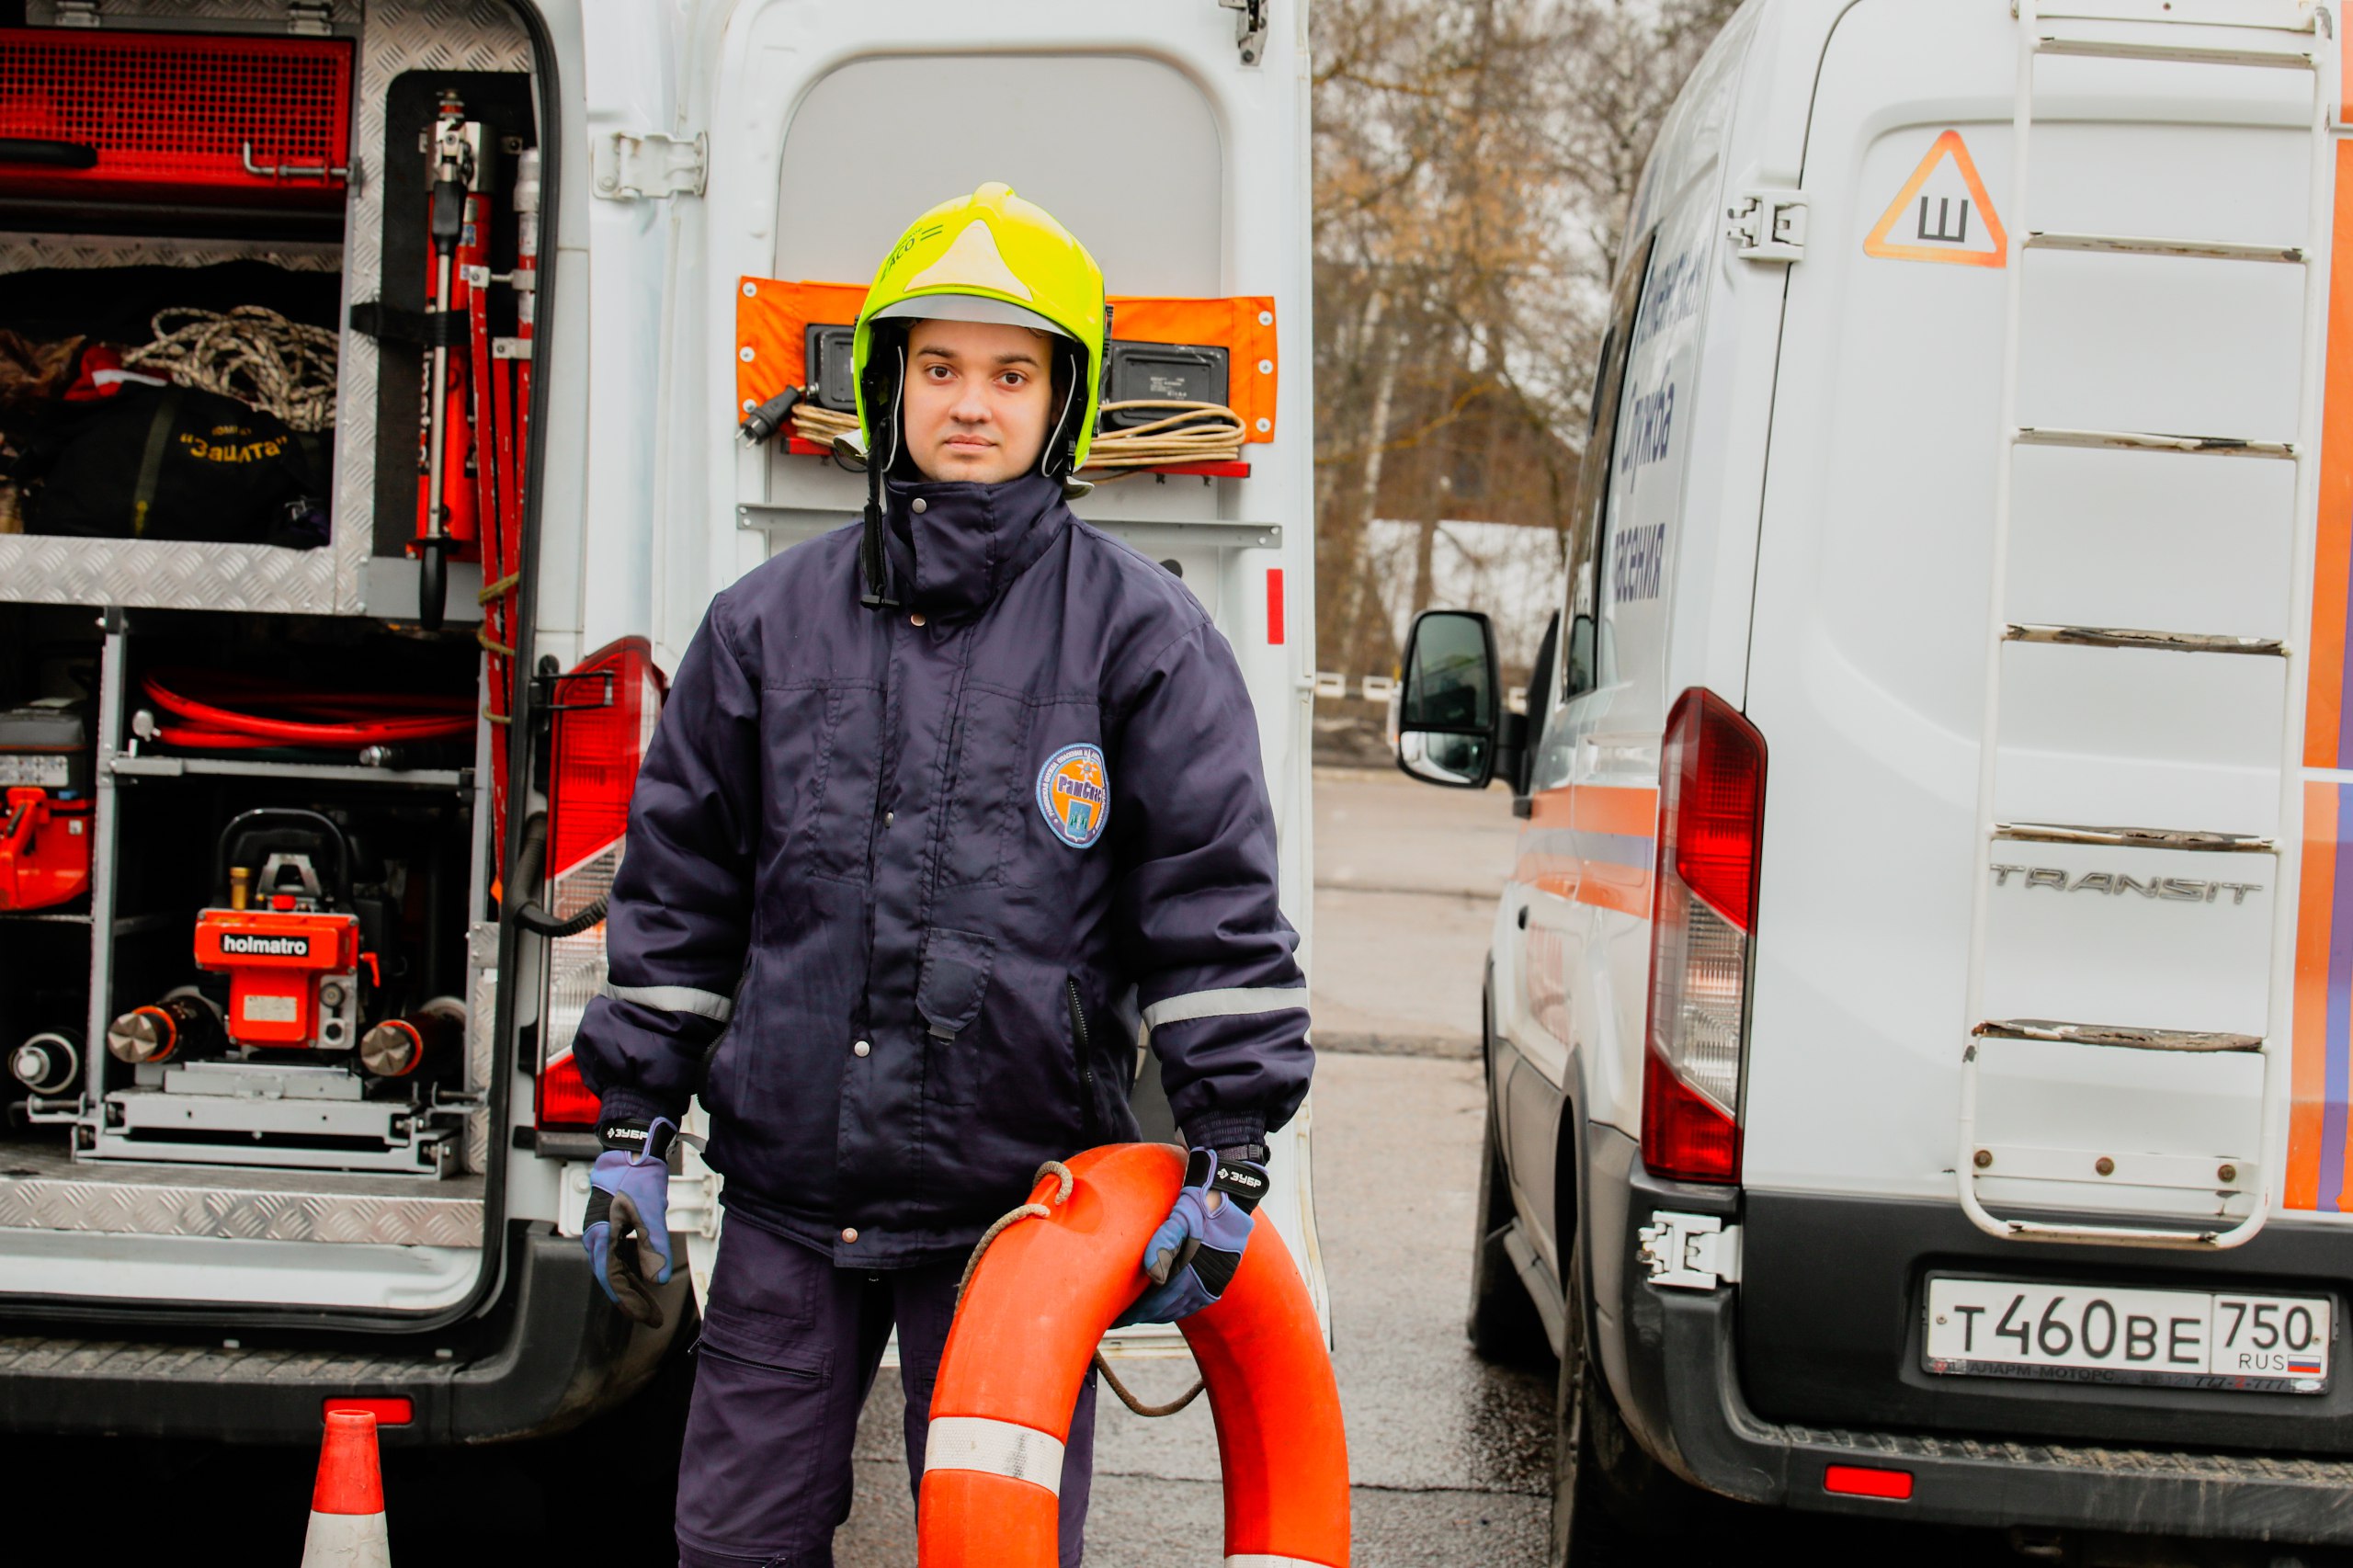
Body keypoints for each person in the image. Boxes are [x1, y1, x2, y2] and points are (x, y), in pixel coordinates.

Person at [568, 183, 1313, 1568]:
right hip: (791, 1202)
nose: (972, 402)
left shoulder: (1144, 640)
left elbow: (1211, 913)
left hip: (1017, 1223)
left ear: (1063, 398)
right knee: (732, 1546)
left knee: (990, 1552)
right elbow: (679, 902)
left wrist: (1234, 1147)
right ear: (889, 384)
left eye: (1011, 372)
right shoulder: (762, 628)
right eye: (942, 366)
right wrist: (629, 1124)